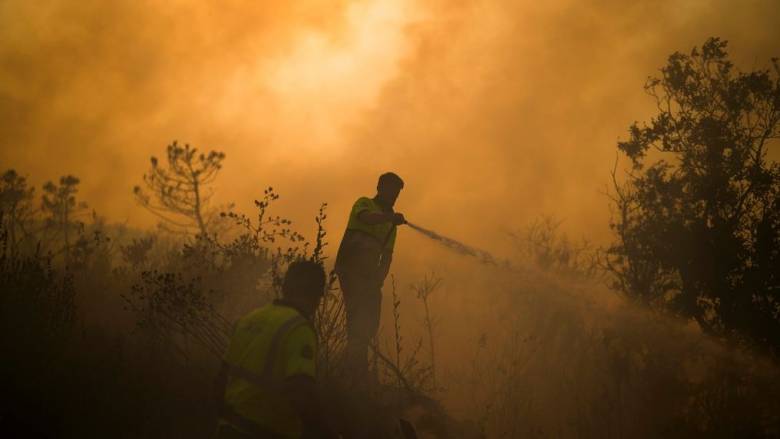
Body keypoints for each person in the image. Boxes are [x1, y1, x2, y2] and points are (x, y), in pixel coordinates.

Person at [216, 260, 335, 439]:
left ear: (285, 287)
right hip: (264, 431)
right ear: (316, 296)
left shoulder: (250, 319)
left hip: (228, 428)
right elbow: (301, 393)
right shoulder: (299, 329)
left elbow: (220, 379)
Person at [335, 172, 406, 379]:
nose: (394, 197)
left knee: (370, 321)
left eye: (397, 194)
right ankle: (354, 370)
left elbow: (387, 256)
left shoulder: (391, 225)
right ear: (379, 188)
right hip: (350, 269)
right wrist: (389, 217)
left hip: (369, 278)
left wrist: (379, 280)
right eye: (391, 191)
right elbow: (366, 218)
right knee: (357, 316)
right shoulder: (364, 203)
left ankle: (351, 363)